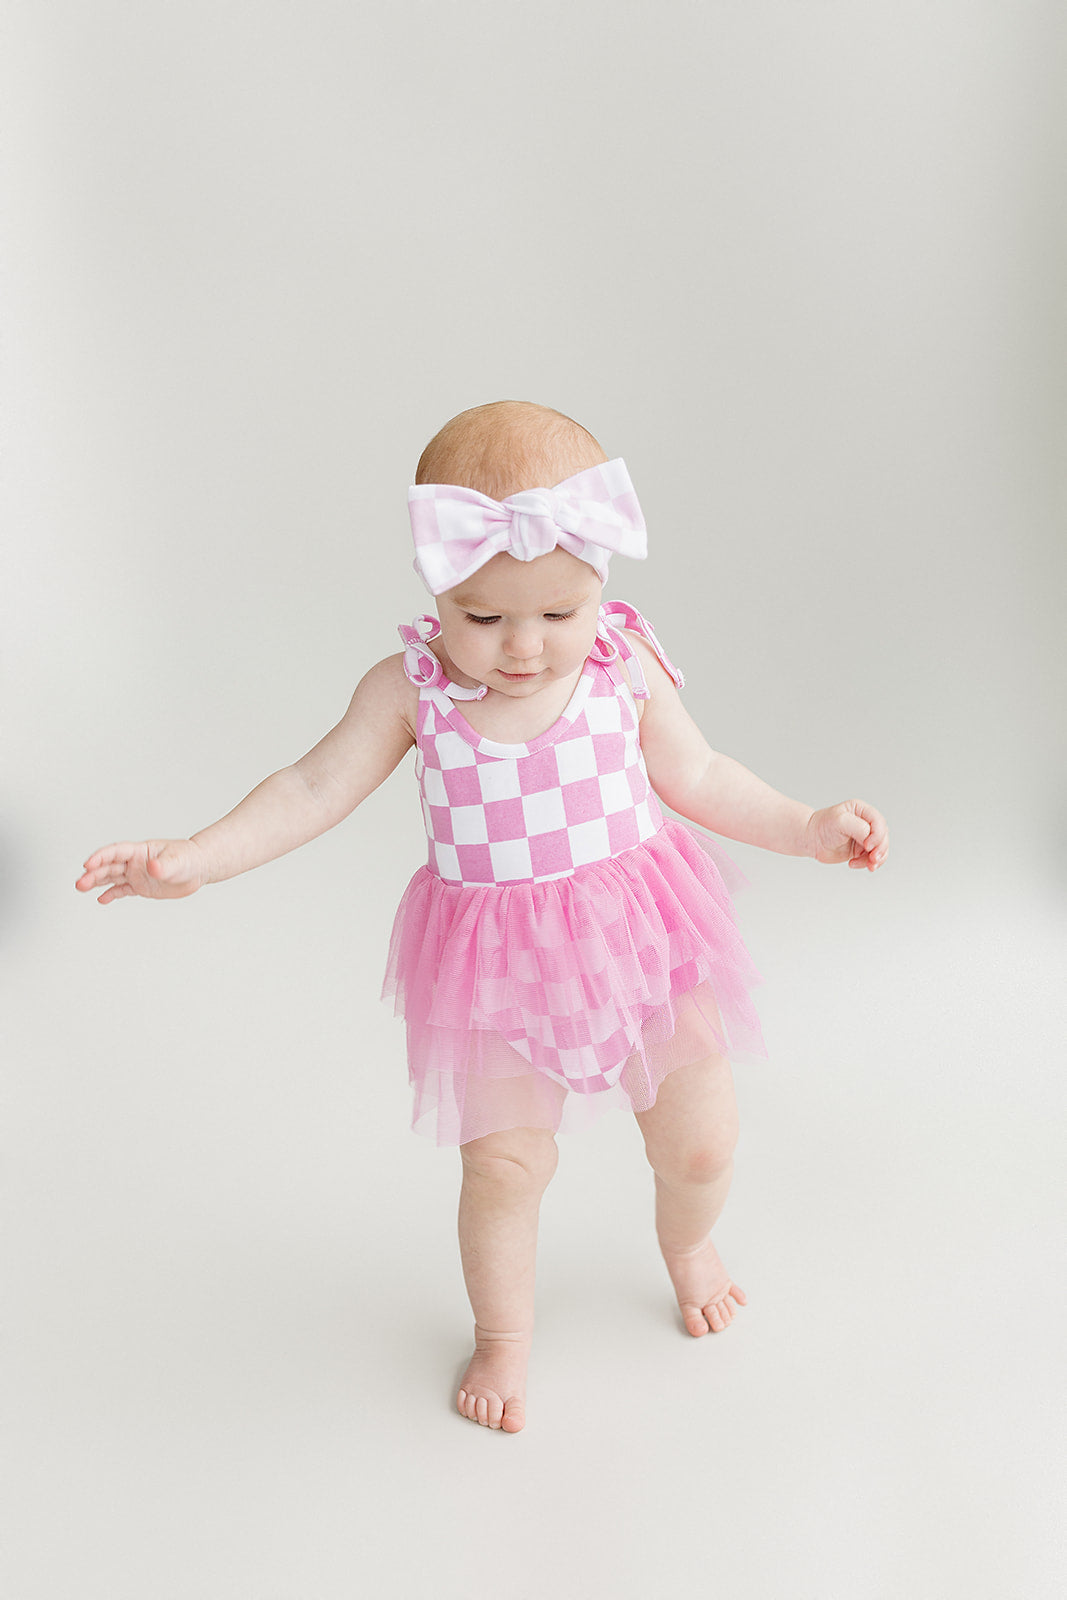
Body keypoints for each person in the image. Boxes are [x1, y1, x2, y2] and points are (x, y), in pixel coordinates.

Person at [76, 399, 889, 1435]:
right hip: (498, 969)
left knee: (699, 1142)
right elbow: (310, 786)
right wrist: (197, 856)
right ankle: (502, 1333)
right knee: (503, 1168)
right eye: (483, 616)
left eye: (557, 613)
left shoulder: (622, 664)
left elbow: (701, 775)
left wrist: (806, 826)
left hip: (640, 937)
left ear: (599, 582)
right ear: (434, 584)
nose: (523, 648)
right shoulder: (411, 691)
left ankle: (687, 1242)